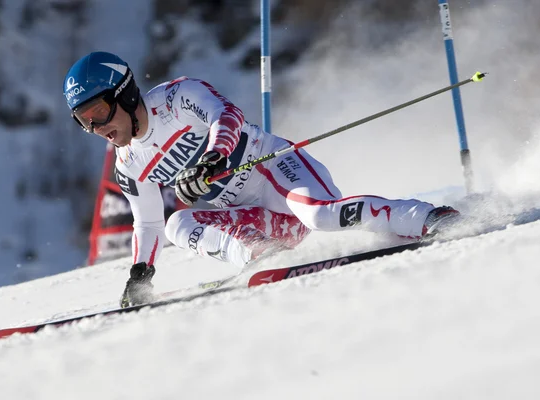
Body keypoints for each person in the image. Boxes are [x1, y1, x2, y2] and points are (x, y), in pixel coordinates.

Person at [63, 51, 459, 307]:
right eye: (83, 120)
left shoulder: (176, 98)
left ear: (125, 93)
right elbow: (146, 222)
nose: (96, 127)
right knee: (176, 223)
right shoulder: (129, 163)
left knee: (320, 216)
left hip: (276, 172)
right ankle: (257, 259)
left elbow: (227, 116)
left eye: (98, 111)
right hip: (256, 218)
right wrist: (140, 276)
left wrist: (212, 159)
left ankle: (427, 217)